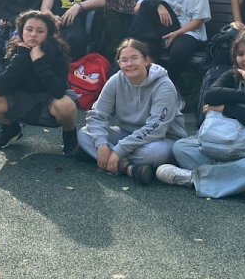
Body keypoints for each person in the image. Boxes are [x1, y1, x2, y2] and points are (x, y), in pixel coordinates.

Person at [159, 29, 245, 202]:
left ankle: (190, 178)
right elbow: (210, 95)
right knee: (181, 148)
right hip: (223, 145)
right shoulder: (235, 75)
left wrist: (225, 108)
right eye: (240, 54)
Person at [76, 38, 187, 185]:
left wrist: (118, 151)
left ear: (146, 60)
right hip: (127, 133)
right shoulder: (116, 81)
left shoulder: (164, 86)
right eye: (124, 60)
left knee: (152, 154)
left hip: (162, 139)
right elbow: (97, 115)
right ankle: (128, 168)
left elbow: (155, 129)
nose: (129, 64)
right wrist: (101, 144)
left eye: (135, 58)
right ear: (119, 64)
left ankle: (112, 160)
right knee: (84, 134)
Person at [0, 10, 79, 152]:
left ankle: (69, 134)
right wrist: (20, 58)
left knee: (66, 105)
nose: (33, 34)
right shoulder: (16, 49)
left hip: (49, 102)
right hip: (22, 101)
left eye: (40, 31)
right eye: (29, 29)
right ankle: (10, 129)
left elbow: (59, 91)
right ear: (22, 31)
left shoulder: (58, 51)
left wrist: (39, 61)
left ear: (48, 33)